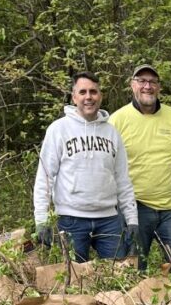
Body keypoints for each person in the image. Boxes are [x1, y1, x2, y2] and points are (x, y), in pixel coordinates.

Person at [33, 71, 138, 262]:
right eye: (82, 92)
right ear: (74, 97)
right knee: (73, 282)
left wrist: (132, 220)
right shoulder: (58, 130)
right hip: (70, 219)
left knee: (118, 275)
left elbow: (123, 179)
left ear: (100, 95)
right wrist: (41, 220)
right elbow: (45, 178)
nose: (88, 97)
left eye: (93, 92)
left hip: (109, 220)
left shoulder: (112, 133)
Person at [109, 64, 171, 269]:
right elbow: (108, 165)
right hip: (134, 208)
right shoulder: (117, 120)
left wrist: (163, 179)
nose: (147, 86)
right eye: (142, 81)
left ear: (159, 87)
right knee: (132, 270)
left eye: (152, 82)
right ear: (132, 85)